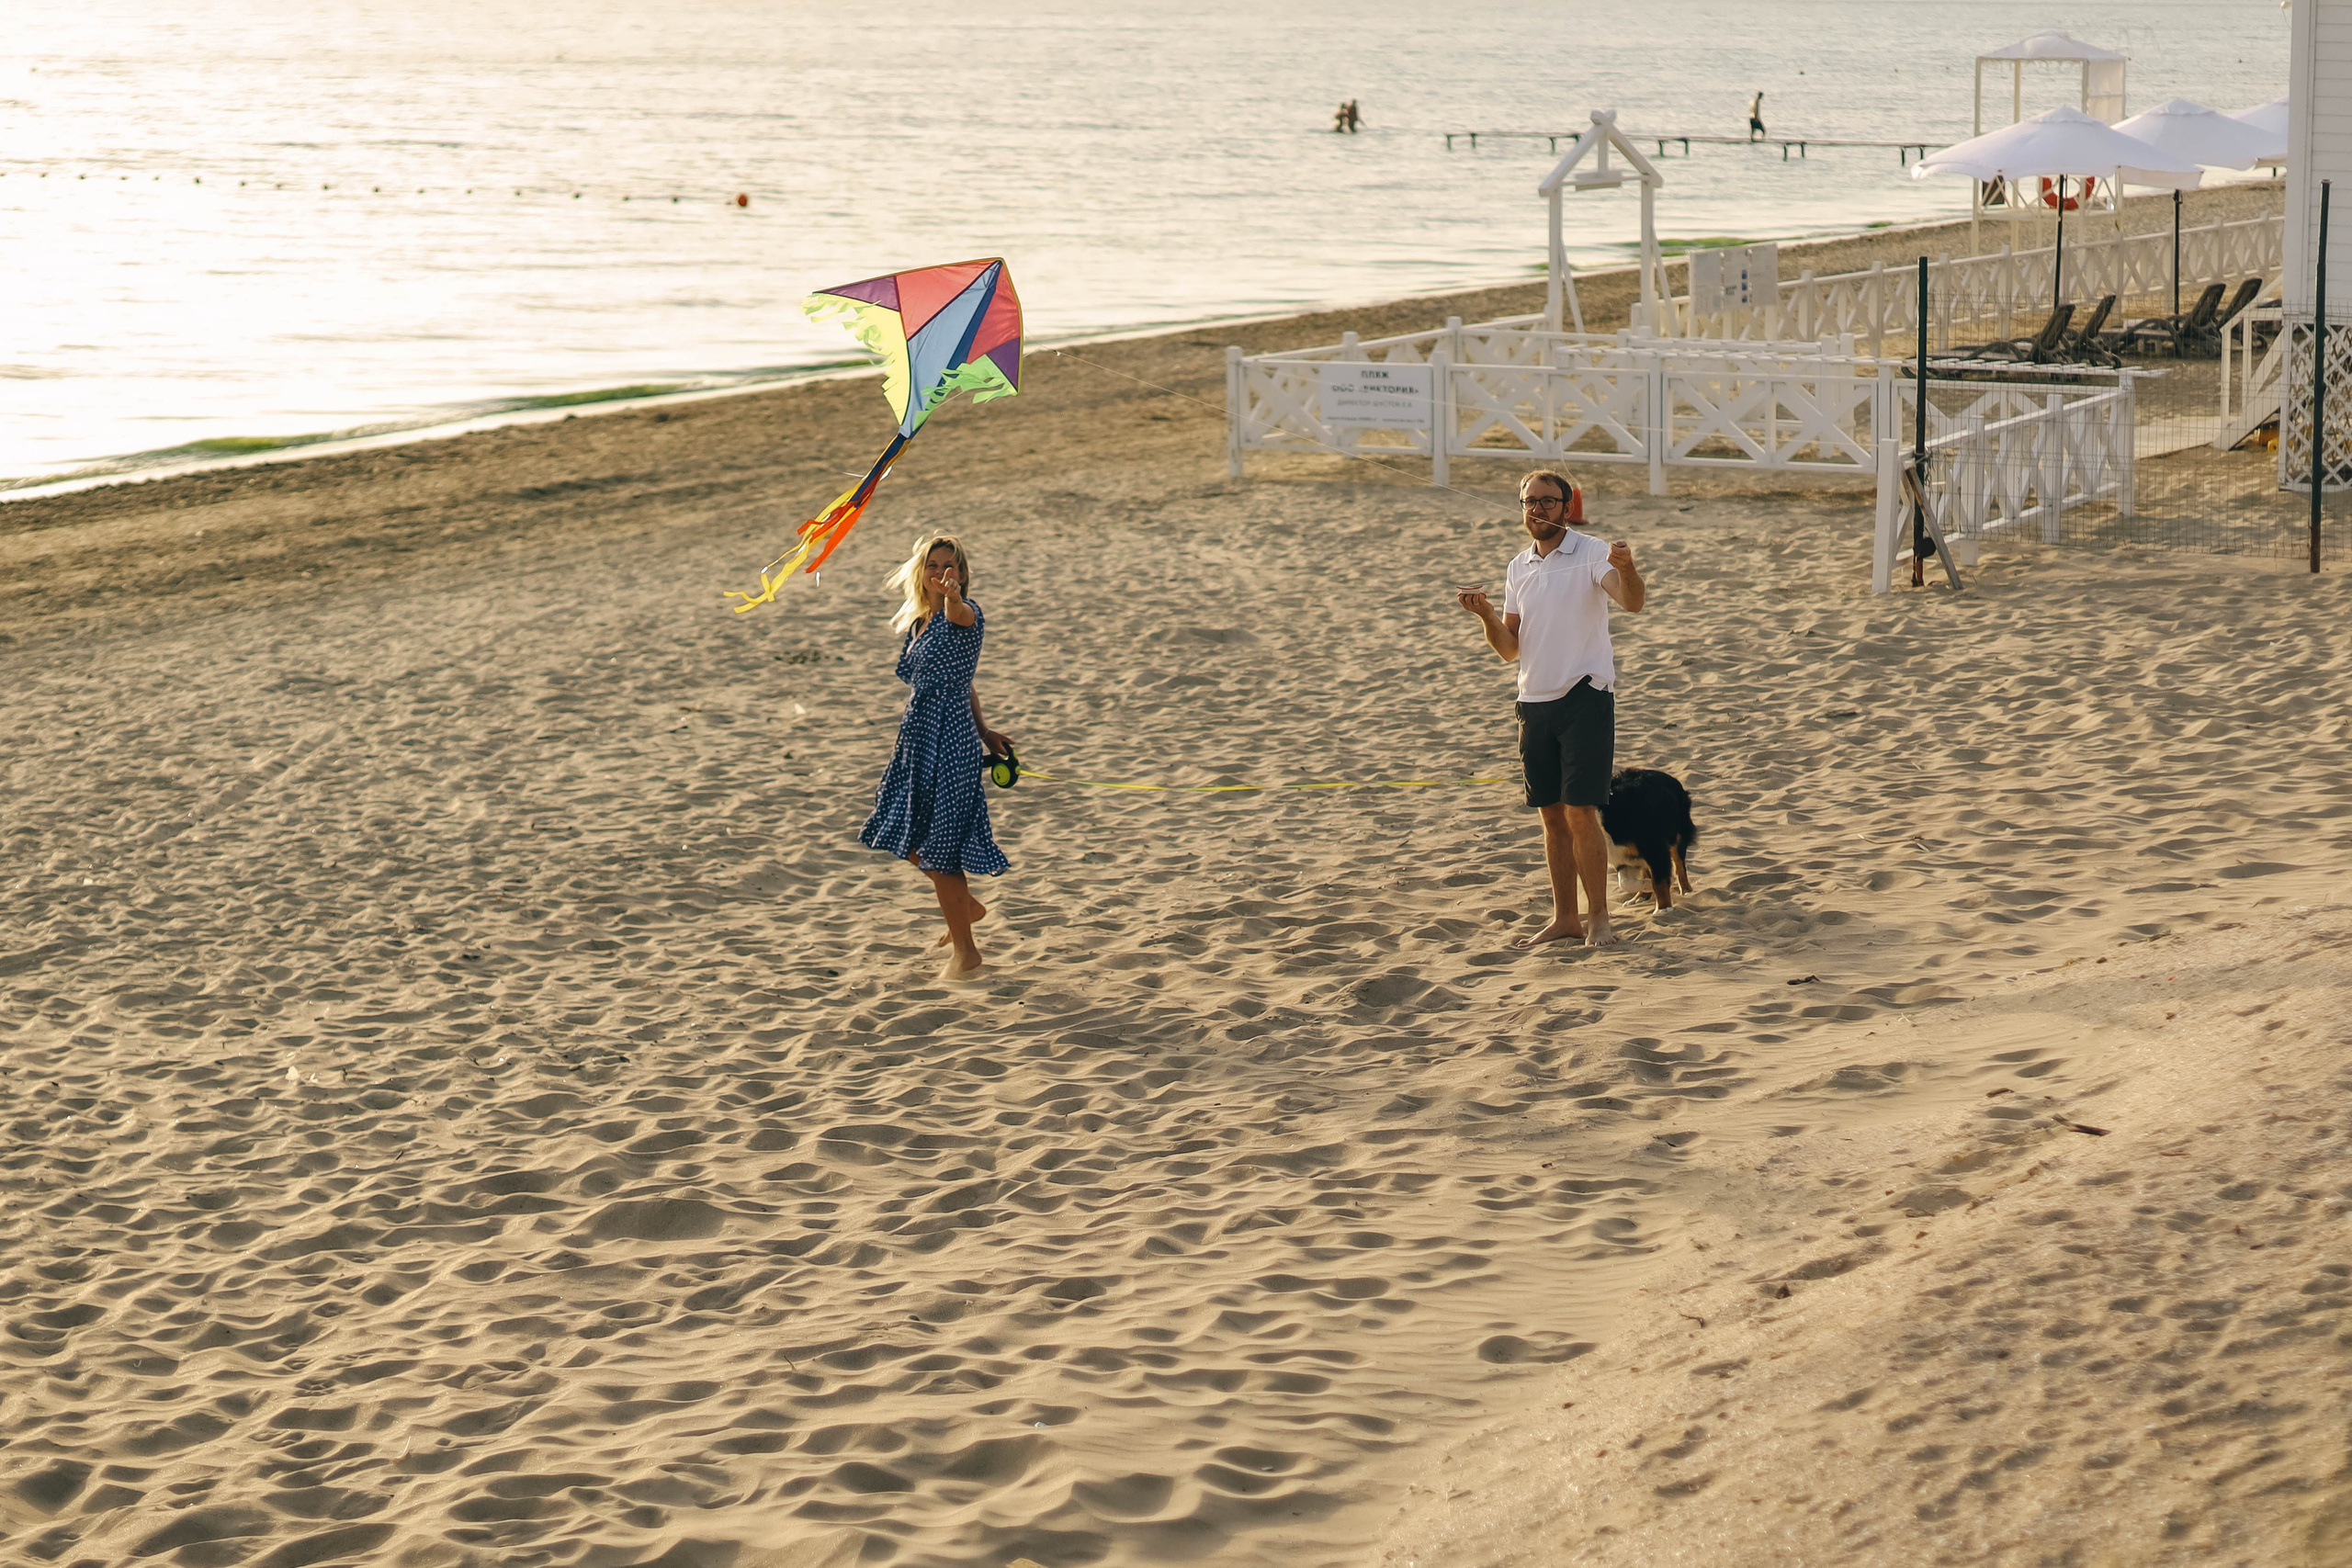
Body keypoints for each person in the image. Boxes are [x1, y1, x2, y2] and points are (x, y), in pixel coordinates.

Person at [1456, 472, 1645, 949]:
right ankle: (1566, 918)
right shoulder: (1518, 566)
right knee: (1552, 816)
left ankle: (1599, 917)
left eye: (1547, 501)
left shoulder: (1591, 551)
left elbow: (1632, 602)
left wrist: (1626, 568)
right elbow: (1509, 650)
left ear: (1566, 506)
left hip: (1585, 695)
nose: (1537, 509)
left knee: (1581, 812)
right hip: (1532, 701)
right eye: (1529, 502)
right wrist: (1485, 617)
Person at [859, 534, 1013, 979]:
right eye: (933, 566)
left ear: (962, 574)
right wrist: (986, 731)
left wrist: (953, 598)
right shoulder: (918, 624)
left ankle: (966, 951)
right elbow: (967, 685)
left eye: (951, 567)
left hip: (949, 740)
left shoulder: (965, 614)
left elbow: (958, 612)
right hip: (918, 736)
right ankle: (965, 907)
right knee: (904, 832)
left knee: (940, 851)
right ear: (920, 572)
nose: (942, 574)